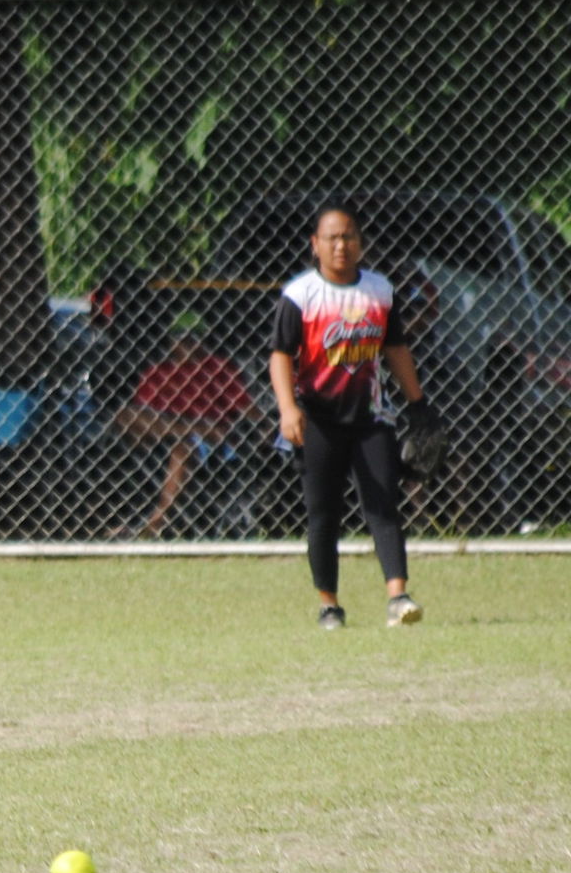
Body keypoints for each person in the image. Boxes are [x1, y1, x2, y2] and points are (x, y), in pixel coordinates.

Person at [268, 201, 435, 629]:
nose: (341, 245)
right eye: (331, 237)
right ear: (315, 245)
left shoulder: (379, 291)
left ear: (360, 244)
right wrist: (287, 409)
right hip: (317, 419)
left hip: (370, 417)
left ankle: (398, 597)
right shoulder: (301, 294)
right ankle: (329, 604)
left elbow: (395, 349)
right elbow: (281, 356)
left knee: (384, 503)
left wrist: (417, 403)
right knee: (323, 513)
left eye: (349, 237)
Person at [111, 311, 261, 538]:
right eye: (180, 337)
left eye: (193, 337)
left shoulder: (217, 368)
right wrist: (182, 426)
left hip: (205, 444)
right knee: (126, 414)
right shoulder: (158, 372)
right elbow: (141, 415)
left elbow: (247, 411)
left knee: (182, 447)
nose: (187, 343)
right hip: (162, 435)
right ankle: (187, 430)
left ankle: (155, 523)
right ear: (171, 341)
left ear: (203, 340)